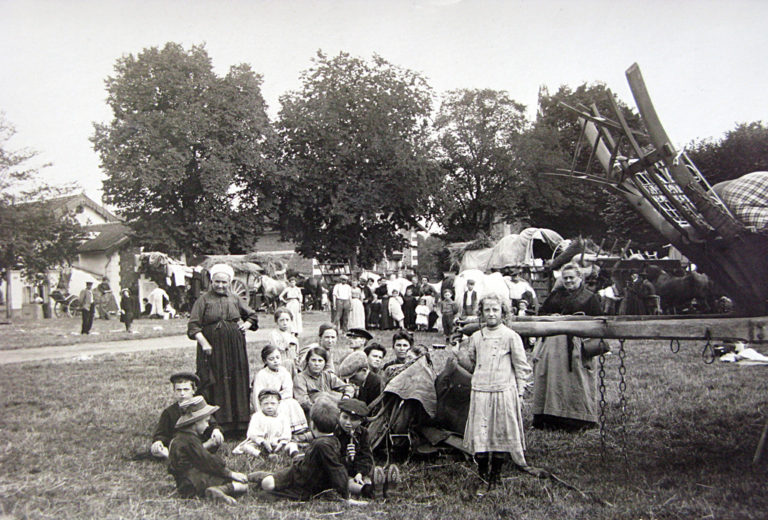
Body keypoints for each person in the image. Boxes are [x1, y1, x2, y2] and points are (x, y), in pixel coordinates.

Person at [456, 294, 532, 494]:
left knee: (500, 432)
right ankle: (482, 473)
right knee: (481, 434)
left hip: (503, 391)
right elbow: (472, 363)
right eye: (487, 310)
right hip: (481, 391)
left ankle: (495, 476)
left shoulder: (510, 336)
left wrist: (520, 392)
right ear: (481, 313)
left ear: (503, 313)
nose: (491, 314)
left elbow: (522, 367)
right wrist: (459, 352)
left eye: (495, 310)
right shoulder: (476, 337)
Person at [187, 263, 258, 433]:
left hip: (235, 348)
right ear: (211, 282)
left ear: (229, 282)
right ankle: (219, 424)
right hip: (212, 348)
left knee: (236, 380)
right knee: (216, 381)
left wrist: (246, 325)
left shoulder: (234, 298)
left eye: (224, 282)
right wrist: (204, 343)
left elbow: (252, 315)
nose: (220, 285)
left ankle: (239, 423)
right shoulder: (203, 300)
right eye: (217, 282)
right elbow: (193, 325)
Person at [532, 263, 602, 431]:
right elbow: (541, 314)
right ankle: (550, 418)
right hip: (553, 345)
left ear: (580, 278)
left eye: (572, 277)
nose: (569, 281)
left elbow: (599, 321)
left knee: (576, 381)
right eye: (565, 278)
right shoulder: (555, 295)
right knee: (550, 380)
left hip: (577, 345)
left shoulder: (589, 297)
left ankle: (578, 419)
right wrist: (551, 316)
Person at [252, 398, 355, 502]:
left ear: (312, 424)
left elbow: (337, 469)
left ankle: (258, 478)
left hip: (299, 480)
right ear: (337, 425)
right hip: (299, 474)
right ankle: (258, 477)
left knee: (266, 489)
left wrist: (346, 497)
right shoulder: (333, 440)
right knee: (266, 481)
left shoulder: (321, 445)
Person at [167, 396, 250, 505]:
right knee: (241, 485)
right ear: (196, 422)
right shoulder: (191, 441)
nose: (207, 426)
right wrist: (230, 473)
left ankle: (215, 489)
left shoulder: (179, 438)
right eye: (206, 421)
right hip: (196, 483)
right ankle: (220, 490)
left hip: (183, 484)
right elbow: (207, 461)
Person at [151, 372, 224, 460]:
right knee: (158, 450)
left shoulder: (200, 407)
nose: (182, 394)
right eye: (178, 390)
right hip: (180, 443)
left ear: (193, 390)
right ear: (174, 391)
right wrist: (158, 441)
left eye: (186, 389)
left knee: (214, 441)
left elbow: (211, 423)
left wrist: (216, 431)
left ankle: (186, 454)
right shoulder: (169, 412)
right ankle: (184, 454)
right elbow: (161, 433)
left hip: (199, 441)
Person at [251, 345, 311, 441]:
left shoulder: (283, 371)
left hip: (281, 398)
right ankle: (281, 433)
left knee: (292, 402)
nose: (275, 361)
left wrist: (278, 397)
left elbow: (288, 390)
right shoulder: (262, 375)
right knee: (279, 406)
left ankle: (297, 430)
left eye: (278, 358)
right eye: (271, 359)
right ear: (265, 361)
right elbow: (258, 395)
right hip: (267, 401)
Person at [234, 389, 300, 460]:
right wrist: (262, 442)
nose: (269, 406)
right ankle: (263, 455)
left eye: (273, 403)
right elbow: (252, 433)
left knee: (292, 445)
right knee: (247, 447)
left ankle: (295, 455)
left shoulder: (283, 417)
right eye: (266, 404)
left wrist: (282, 443)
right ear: (260, 404)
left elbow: (286, 434)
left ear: (278, 403)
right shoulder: (257, 416)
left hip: (277, 444)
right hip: (260, 444)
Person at [334, 399, 376, 498]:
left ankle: (374, 486)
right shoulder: (334, 432)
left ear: (361, 421)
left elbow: (366, 456)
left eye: (353, 419)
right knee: (344, 481)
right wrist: (346, 458)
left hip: (356, 470)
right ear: (339, 415)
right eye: (345, 417)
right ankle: (368, 490)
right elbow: (332, 460)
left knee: (366, 474)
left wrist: (359, 473)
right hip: (340, 470)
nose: (348, 422)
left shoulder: (363, 433)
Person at [294, 346, 354, 414]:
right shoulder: (300, 378)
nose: (316, 364)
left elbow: (349, 388)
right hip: (312, 413)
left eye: (320, 361)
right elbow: (303, 402)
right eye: (313, 360)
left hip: (332, 410)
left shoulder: (327, 375)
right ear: (308, 361)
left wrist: (346, 397)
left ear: (325, 363)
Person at [270, 308, 299, 374]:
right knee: (288, 363)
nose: (285, 323)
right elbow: (280, 347)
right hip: (279, 362)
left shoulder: (292, 335)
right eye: (281, 320)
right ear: (276, 322)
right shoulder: (274, 334)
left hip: (292, 363)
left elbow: (296, 352)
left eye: (287, 320)